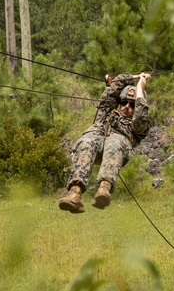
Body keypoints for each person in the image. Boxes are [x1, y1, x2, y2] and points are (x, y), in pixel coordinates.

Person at [58, 72, 151, 213]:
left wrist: (140, 87)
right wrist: (134, 77)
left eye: (132, 105)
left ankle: (104, 189)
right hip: (95, 142)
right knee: (86, 141)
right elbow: (114, 88)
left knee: (114, 143)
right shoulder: (106, 112)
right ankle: (75, 194)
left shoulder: (138, 125)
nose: (126, 107)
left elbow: (140, 116)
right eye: (124, 102)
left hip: (116, 147)